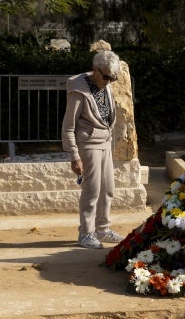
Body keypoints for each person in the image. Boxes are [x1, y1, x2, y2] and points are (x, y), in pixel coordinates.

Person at [62, 50, 124, 249]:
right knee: (92, 190)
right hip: (88, 145)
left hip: (104, 143)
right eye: (105, 76)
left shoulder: (105, 85)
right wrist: (74, 156)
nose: (108, 81)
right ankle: (86, 233)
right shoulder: (79, 90)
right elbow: (68, 126)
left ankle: (102, 229)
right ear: (94, 70)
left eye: (112, 78)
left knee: (108, 189)